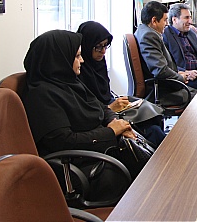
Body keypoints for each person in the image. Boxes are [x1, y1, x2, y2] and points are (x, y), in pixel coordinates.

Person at [21, 30, 135, 200]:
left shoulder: (70, 82)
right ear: (58, 60)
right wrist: (111, 132)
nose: (82, 60)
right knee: (134, 175)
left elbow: (102, 108)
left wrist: (117, 123)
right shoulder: (41, 95)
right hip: (76, 166)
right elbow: (64, 141)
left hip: (98, 151)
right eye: (77, 56)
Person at [77, 21, 166, 147]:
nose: (103, 51)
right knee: (152, 131)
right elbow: (87, 112)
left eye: (105, 46)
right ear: (87, 45)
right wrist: (110, 108)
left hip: (108, 112)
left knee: (152, 119)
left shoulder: (98, 64)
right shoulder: (79, 72)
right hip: (102, 122)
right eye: (99, 47)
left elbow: (105, 95)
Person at [135, 1, 195, 102]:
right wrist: (180, 77)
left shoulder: (143, 31)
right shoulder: (149, 36)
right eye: (165, 20)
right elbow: (160, 70)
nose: (167, 24)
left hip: (163, 85)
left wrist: (179, 72)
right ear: (154, 21)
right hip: (161, 91)